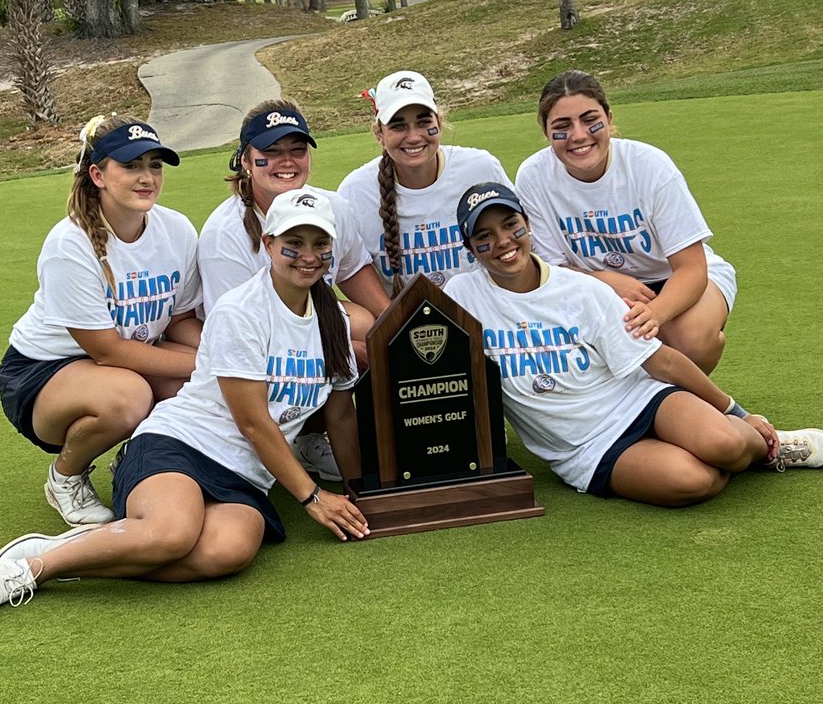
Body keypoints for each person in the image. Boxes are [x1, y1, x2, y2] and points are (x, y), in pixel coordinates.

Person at [0, 189, 370, 617]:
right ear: (268, 244)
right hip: (180, 445)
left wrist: (358, 487)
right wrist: (312, 497)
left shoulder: (334, 321)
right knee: (172, 534)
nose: (308, 256)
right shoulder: (241, 312)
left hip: (244, 474)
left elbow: (341, 413)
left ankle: (79, 552)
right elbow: (254, 422)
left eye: (320, 244)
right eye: (294, 243)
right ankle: (32, 568)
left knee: (228, 552)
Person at [444, 182, 822, 506]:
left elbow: (660, 363)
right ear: (470, 248)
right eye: (484, 237)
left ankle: (771, 446)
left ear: (527, 225)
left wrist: (738, 413)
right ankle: (727, 452)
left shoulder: (581, 289)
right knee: (695, 481)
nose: (503, 242)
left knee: (726, 443)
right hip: (584, 448)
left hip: (641, 399)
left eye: (511, 226)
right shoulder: (460, 297)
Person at [0, 115, 202, 526]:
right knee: (128, 398)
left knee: (193, 389)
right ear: (98, 174)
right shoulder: (69, 243)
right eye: (131, 166)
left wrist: (222, 350)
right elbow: (107, 351)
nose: (147, 178)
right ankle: (65, 476)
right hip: (42, 373)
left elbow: (179, 319)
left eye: (154, 165)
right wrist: (209, 362)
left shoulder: (177, 229)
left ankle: (141, 458)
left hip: (130, 354)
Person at [198, 100, 390, 477]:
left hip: (305, 323)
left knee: (372, 328)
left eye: (296, 150)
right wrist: (344, 351)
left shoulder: (332, 206)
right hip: (252, 348)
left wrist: (397, 327)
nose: (286, 161)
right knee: (353, 351)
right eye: (270, 152)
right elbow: (237, 334)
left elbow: (353, 272)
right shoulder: (224, 233)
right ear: (245, 160)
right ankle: (303, 434)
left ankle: (324, 435)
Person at [515, 70, 736, 374]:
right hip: (594, 284)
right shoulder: (533, 176)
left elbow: (692, 268)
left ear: (608, 116)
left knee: (688, 340)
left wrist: (653, 314)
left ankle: (690, 402)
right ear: (545, 131)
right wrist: (605, 280)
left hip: (673, 275)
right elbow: (553, 269)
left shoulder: (650, 165)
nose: (579, 135)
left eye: (589, 119)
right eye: (562, 126)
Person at [337, 70, 514, 297]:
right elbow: (347, 269)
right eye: (398, 126)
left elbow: (520, 240)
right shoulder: (355, 192)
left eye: (423, 122)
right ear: (379, 133)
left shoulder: (481, 169)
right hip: (404, 328)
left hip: (486, 315)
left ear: (439, 123)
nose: (413, 137)